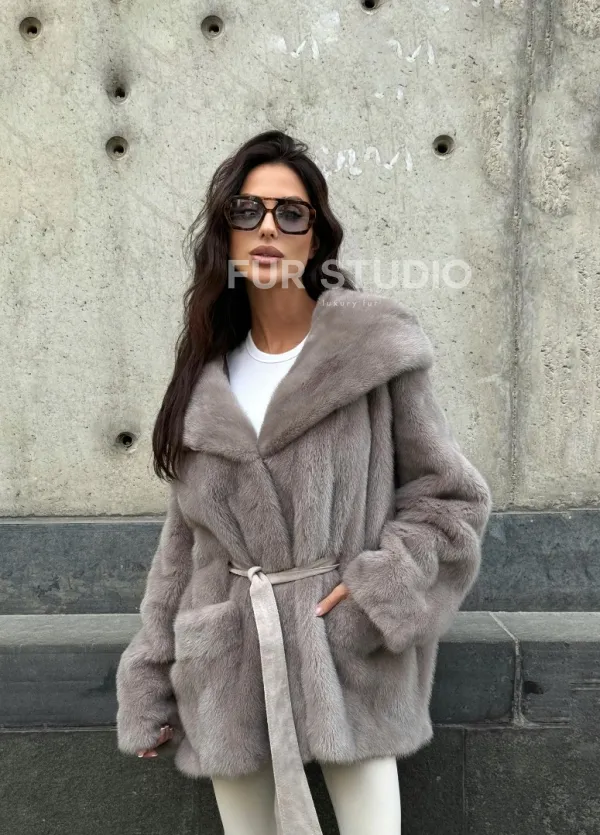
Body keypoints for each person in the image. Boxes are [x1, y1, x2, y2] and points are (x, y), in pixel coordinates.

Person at [115, 130, 493, 835]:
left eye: (290, 213)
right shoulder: (204, 377)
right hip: (228, 665)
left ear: (314, 235)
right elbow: (182, 550)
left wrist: (377, 592)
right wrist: (150, 678)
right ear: (225, 230)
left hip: (347, 659)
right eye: (247, 209)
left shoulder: (373, 349)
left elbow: (450, 496)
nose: (268, 228)